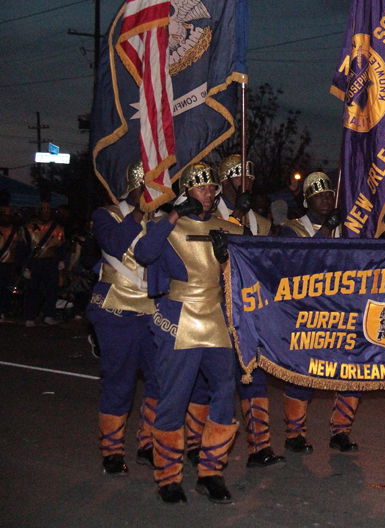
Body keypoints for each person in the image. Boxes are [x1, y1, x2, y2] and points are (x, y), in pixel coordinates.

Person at [134, 162, 243, 504]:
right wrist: (170, 218)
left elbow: (254, 268)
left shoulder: (228, 227)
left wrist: (229, 258)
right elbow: (143, 253)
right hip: (178, 316)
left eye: (212, 187)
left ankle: (211, 472)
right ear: (186, 192)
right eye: (200, 187)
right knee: (174, 397)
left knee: (224, 395)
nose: (208, 193)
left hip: (216, 317)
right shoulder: (168, 226)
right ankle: (168, 477)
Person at [211, 155, 285, 469]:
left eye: (250, 178)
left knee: (254, 378)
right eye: (239, 177)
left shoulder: (263, 223)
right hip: (216, 310)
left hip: (252, 311)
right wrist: (235, 217)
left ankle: (260, 446)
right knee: (217, 382)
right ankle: (204, 447)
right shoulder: (209, 216)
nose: (247, 183)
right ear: (224, 181)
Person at [281, 172, 363, 453]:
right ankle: (295, 434)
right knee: (303, 375)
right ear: (307, 201)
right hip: (308, 314)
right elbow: (299, 263)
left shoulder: (347, 229)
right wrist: (326, 230)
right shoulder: (291, 228)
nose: (326, 199)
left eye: (329, 194)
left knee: (353, 373)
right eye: (319, 195)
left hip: (344, 312)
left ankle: (341, 429)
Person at [87, 160, 159, 475]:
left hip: (155, 312)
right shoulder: (106, 215)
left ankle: (149, 444)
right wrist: (141, 213)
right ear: (136, 185)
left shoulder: (162, 219)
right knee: (120, 383)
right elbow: (115, 245)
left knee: (160, 380)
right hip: (117, 309)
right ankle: (112, 450)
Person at [23, 200, 66, 327]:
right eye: (43, 210)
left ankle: (49, 315)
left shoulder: (57, 228)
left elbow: (62, 247)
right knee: (32, 290)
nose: (45, 213)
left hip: (51, 262)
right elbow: (23, 248)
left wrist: (61, 260)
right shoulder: (28, 227)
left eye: (48, 211)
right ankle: (30, 316)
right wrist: (25, 267)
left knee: (51, 289)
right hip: (35, 262)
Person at [0, 193, 27, 322]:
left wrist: (20, 267)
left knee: (7, 289)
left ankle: (4, 311)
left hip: (9, 265)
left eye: (8, 215)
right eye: (4, 215)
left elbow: (20, 250)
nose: (6, 217)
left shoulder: (17, 232)